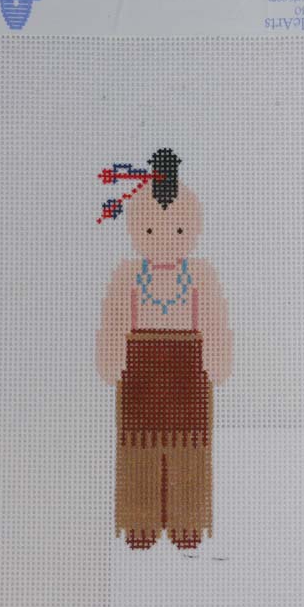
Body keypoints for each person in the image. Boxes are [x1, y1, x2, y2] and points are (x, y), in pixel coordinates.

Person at [96, 150, 233, 549]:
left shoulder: (200, 276)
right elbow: (114, 321)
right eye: (151, 231)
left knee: (190, 445)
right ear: (136, 230)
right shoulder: (128, 276)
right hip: (140, 370)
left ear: (192, 228)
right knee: (137, 445)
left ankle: (188, 518)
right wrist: (112, 358)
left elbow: (214, 320)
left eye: (178, 231)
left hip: (188, 370)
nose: (164, 240)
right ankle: (139, 519)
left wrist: (216, 358)